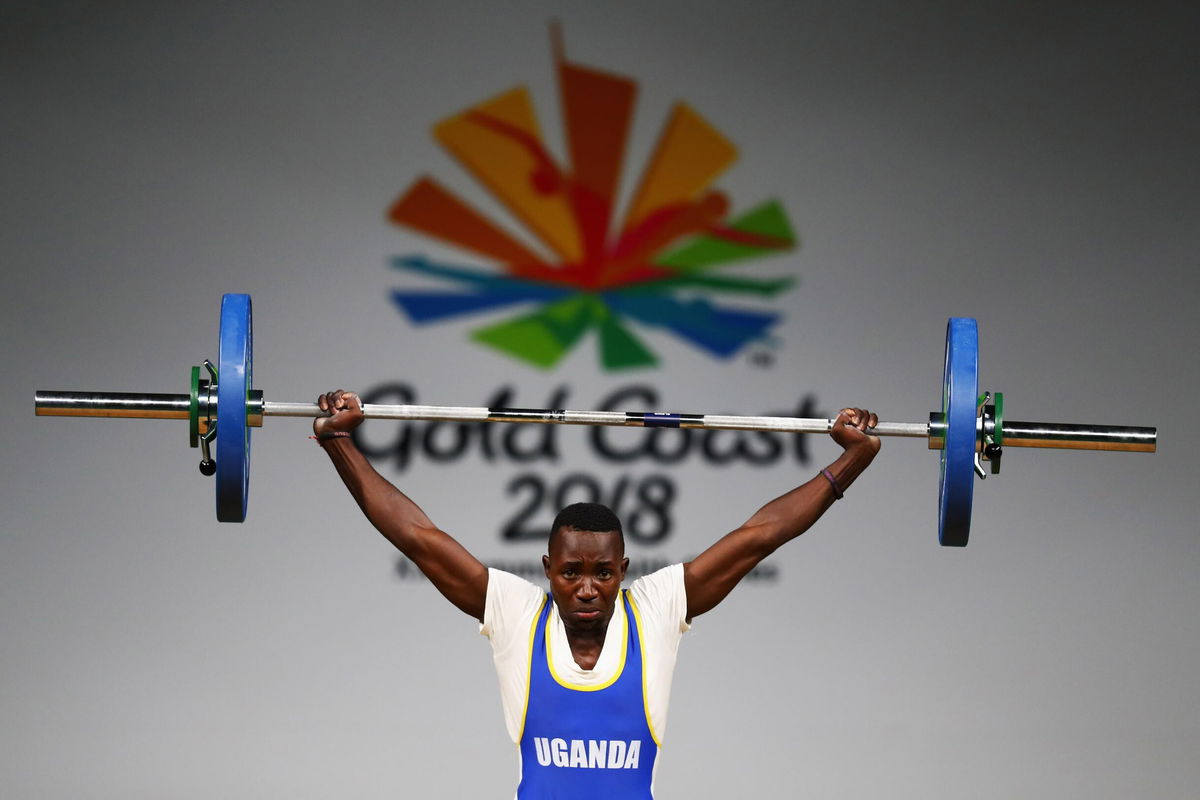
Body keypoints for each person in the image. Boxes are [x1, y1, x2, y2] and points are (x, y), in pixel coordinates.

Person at [314, 390, 880, 798]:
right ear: (547, 569)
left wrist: (849, 462)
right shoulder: (516, 612)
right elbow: (417, 538)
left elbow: (761, 535)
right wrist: (340, 443)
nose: (587, 588)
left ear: (625, 569)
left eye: (604, 574)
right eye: (570, 573)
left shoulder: (656, 608)